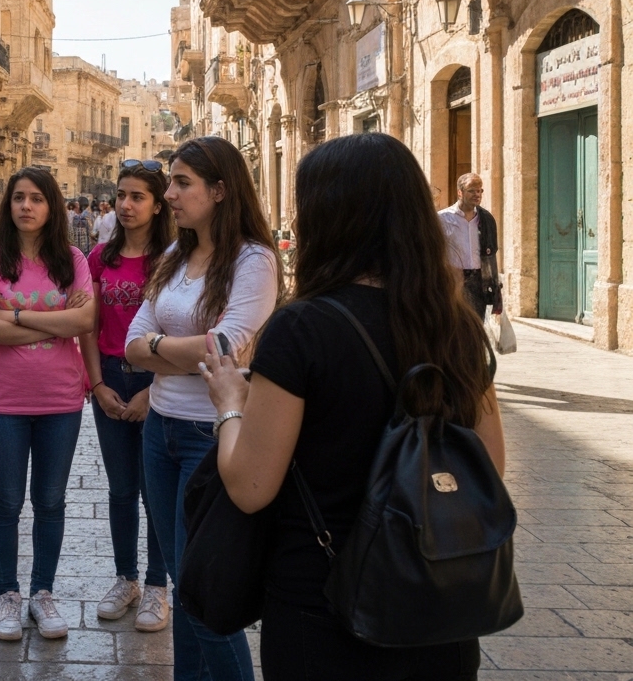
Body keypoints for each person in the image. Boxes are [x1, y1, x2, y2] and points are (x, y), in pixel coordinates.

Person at [200, 133, 505, 680]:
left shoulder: (302, 328)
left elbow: (250, 487)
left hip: (324, 608)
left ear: (328, 217)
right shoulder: (454, 325)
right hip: (438, 606)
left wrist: (229, 405)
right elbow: (490, 467)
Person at [125, 136, 280, 681]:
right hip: (159, 432)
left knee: (207, 596)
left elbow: (228, 348)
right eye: (170, 182)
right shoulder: (174, 256)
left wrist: (160, 351)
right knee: (184, 587)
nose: (169, 194)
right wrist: (180, 352)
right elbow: (130, 343)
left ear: (219, 190)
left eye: (181, 182)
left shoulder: (254, 261)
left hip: (211, 438)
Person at [0, 166, 96, 642]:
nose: (26, 206)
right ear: (9, 206)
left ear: (52, 207)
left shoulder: (72, 260)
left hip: (61, 401)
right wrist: (54, 320)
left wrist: (17, 314)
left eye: (37, 198)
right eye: (19, 198)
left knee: (50, 501)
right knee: (5, 501)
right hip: (1, 402)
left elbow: (85, 320)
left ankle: (42, 593)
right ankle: (8, 594)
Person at [79, 159, 175, 633]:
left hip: (160, 384)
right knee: (120, 489)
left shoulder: (174, 259)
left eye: (137, 197)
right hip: (111, 378)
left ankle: (158, 585)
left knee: (154, 490)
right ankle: (126, 579)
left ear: (159, 205)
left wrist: (153, 392)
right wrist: (97, 385)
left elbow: (181, 329)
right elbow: (90, 329)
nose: (126, 205)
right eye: (121, 195)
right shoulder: (100, 258)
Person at [438, 173, 503, 316]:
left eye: (479, 190)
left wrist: (493, 284)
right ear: (460, 192)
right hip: (453, 280)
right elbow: (434, 252)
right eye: (472, 190)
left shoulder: (486, 219)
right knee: (454, 325)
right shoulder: (442, 219)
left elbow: (491, 253)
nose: (477, 194)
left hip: (478, 282)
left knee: (477, 326)